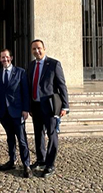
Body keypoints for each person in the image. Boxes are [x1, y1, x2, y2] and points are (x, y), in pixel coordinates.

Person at [28, 39, 69, 178]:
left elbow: (62, 85)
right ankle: (41, 159)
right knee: (38, 134)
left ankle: (50, 165)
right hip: (36, 106)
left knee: (52, 135)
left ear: (44, 49)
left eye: (39, 48)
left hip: (50, 107)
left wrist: (65, 105)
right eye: (34, 49)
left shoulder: (53, 64)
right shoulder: (31, 65)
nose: (36, 51)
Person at [0, 49, 32, 178]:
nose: (5, 59)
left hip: (17, 111)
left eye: (7, 57)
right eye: (3, 57)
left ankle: (26, 164)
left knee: (22, 140)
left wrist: (26, 109)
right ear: (0, 59)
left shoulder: (20, 72)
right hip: (4, 113)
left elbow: (25, 92)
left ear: (12, 57)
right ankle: (12, 160)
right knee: (10, 138)